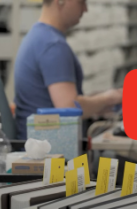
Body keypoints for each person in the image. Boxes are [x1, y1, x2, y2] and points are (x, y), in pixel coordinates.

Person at [14, 0, 123, 139]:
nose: (85, 9)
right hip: (53, 155)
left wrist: (100, 102)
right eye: (81, 2)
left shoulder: (39, 36)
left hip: (41, 146)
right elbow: (70, 108)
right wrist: (108, 98)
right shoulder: (53, 45)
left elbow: (63, 102)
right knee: (124, 161)